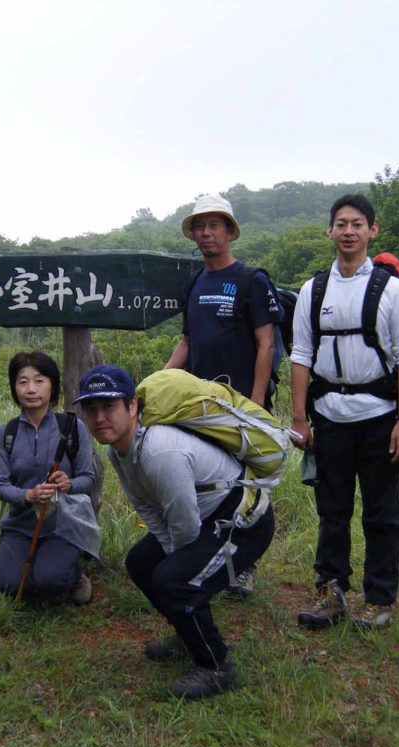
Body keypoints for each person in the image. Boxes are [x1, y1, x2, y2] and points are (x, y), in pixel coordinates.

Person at [75, 365, 275, 700]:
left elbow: (185, 524)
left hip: (243, 523)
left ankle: (215, 666)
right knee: (140, 563)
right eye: (91, 409)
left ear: (132, 406)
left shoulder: (159, 450)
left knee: (173, 580)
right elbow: (148, 508)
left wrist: (178, 567)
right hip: (206, 517)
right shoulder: (118, 451)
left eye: (109, 407)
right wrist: (173, 556)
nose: (99, 418)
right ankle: (188, 632)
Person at [290, 194, 399, 631]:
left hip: (381, 416)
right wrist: (299, 418)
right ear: (330, 231)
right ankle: (331, 592)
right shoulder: (313, 291)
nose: (349, 231)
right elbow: (301, 355)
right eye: (341, 224)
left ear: (372, 231)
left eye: (357, 224)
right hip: (329, 417)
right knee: (332, 511)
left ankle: (379, 599)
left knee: (381, 512)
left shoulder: (391, 289)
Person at [165, 193, 283, 597]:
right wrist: (160, 382)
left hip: (241, 405)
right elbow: (187, 341)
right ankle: (208, 558)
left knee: (247, 486)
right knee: (208, 484)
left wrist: (256, 404)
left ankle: (245, 565)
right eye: (199, 226)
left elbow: (266, 344)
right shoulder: (194, 284)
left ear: (230, 232)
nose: (206, 233)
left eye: (214, 225)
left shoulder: (252, 280)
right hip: (200, 406)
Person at [0, 351, 96, 603]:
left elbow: (87, 477)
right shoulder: (5, 434)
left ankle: (75, 576)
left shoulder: (72, 427)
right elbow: (0, 485)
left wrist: (68, 484)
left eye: (39, 380)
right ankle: (42, 573)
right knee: (10, 585)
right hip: (19, 527)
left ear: (52, 385)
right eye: (22, 381)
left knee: (49, 580)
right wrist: (28, 495)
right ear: (14, 387)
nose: (31, 389)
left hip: (63, 527)